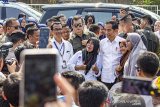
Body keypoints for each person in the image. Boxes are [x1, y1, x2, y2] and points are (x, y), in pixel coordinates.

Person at [97, 21, 124, 89]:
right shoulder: (102, 42)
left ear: (116, 31)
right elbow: (100, 59)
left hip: (117, 78)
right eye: (105, 30)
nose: (106, 32)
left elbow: (125, 58)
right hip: (104, 77)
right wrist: (97, 71)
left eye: (109, 30)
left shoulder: (122, 42)